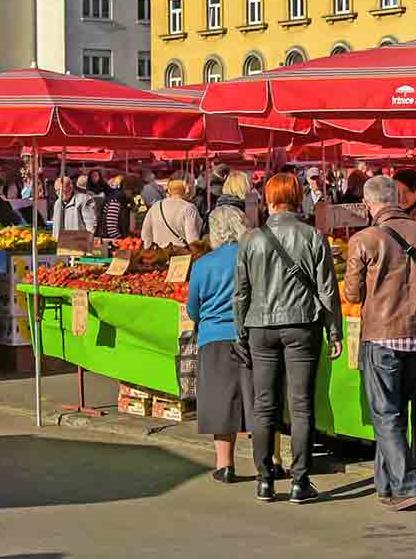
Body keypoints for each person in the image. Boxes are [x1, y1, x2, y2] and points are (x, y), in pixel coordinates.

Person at [345, 174, 416, 511]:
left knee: (385, 413)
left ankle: (407, 486)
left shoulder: (364, 239)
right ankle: (385, 485)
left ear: (369, 203)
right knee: (395, 412)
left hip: (382, 335)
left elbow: (351, 293)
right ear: (396, 197)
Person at [234, 173, 342, 504]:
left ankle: (265, 480)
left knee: (263, 404)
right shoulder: (313, 236)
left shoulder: (251, 240)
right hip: (302, 324)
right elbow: (327, 290)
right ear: (297, 198)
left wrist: (241, 332)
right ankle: (300, 480)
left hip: (260, 326)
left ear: (268, 199)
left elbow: (241, 292)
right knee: (301, 404)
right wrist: (334, 330)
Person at [188, 206, 258, 483]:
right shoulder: (252, 257)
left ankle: (225, 464)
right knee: (256, 399)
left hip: (213, 337)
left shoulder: (203, 264)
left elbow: (193, 308)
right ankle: (266, 461)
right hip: (251, 334)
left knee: (220, 401)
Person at [141, 177, 201, 249]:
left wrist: (148, 251)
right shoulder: (189, 208)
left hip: (160, 254)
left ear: (169, 190)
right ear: (187, 189)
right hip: (181, 255)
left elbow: (146, 234)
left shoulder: (156, 206)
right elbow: (192, 238)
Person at [95, 175, 137, 240]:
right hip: (108, 242)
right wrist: (123, 240)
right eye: (133, 192)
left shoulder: (124, 201)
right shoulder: (115, 201)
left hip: (115, 240)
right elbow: (111, 229)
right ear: (127, 189)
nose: (134, 195)